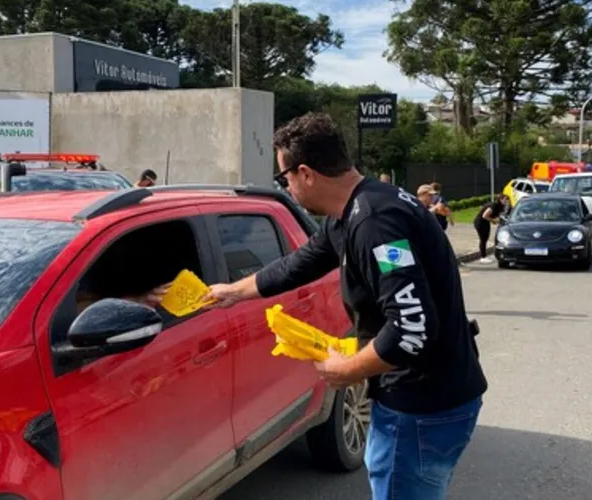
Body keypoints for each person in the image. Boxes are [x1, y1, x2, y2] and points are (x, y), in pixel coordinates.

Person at [203, 112, 487, 500]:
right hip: (432, 398)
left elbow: (412, 330)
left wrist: (345, 370)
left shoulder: (375, 224)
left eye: (283, 178)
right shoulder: (352, 211)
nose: (286, 188)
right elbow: (298, 264)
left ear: (306, 173)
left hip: (421, 406)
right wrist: (232, 292)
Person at [473, 194, 508, 264]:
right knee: (483, 239)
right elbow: (484, 215)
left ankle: (483, 256)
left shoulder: (499, 206)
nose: (506, 201)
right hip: (480, 222)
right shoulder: (494, 206)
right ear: (500, 199)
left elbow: (495, 216)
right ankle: (483, 257)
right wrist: (493, 220)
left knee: (485, 238)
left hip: (485, 222)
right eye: (505, 199)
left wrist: (494, 220)